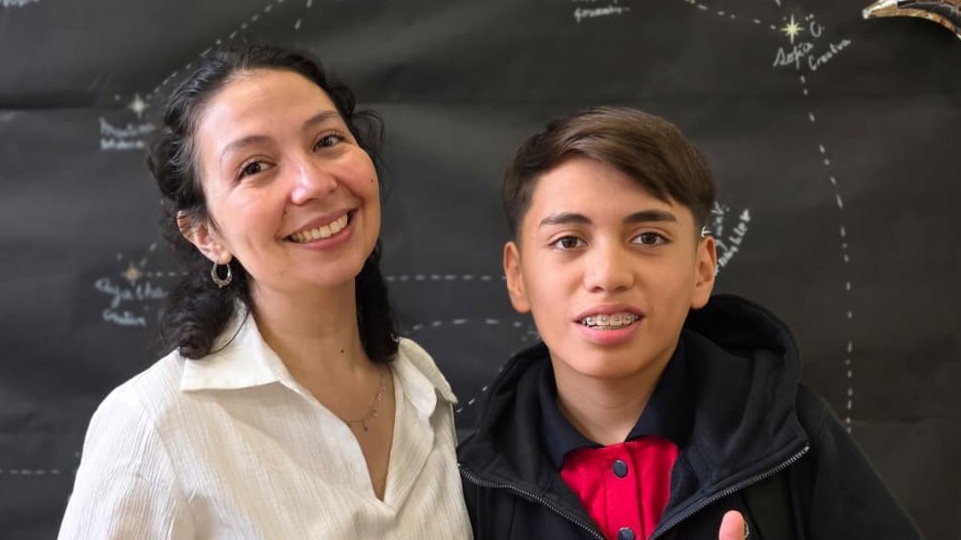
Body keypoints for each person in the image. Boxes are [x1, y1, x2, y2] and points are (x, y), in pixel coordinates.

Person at [59, 43, 472, 539]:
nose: (313, 183)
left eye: (327, 141)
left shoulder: (419, 383)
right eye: (254, 167)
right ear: (205, 235)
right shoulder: (153, 426)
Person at [457, 106, 926, 540]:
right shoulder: (468, 481)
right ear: (517, 276)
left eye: (648, 237)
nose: (609, 275)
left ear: (702, 269)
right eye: (568, 241)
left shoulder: (795, 437)